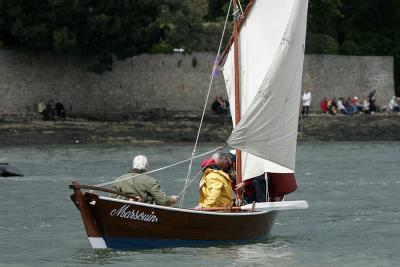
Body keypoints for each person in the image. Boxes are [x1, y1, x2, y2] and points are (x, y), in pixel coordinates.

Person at [111, 155, 178, 206]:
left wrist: (127, 200)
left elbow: (112, 196)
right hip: (144, 214)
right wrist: (172, 200)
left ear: (133, 165)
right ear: (146, 166)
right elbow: (163, 201)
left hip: (122, 211)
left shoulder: (119, 179)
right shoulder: (151, 181)